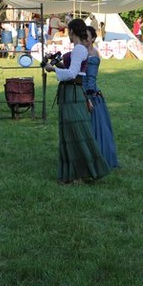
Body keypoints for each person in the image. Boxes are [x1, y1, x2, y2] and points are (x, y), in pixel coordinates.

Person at [43, 19, 110, 184]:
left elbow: (73, 74)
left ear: (72, 31)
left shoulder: (79, 49)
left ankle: (81, 174)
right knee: (69, 135)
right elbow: (73, 70)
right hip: (68, 93)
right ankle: (73, 175)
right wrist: (55, 63)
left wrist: (53, 69)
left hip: (73, 94)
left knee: (77, 134)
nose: (67, 34)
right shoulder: (77, 49)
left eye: (68, 30)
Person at [83, 26, 119, 168]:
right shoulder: (82, 52)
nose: (85, 39)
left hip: (90, 95)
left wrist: (88, 97)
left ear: (92, 39)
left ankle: (96, 159)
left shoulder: (93, 55)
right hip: (83, 91)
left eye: (87, 36)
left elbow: (90, 79)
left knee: (94, 128)